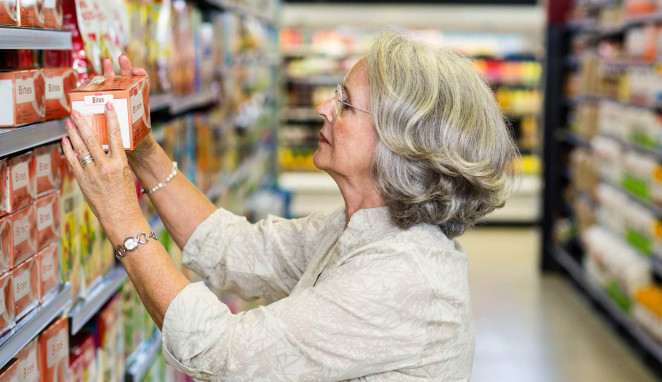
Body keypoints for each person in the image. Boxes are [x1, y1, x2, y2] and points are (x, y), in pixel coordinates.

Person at [62, 32, 518, 381]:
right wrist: (140, 145)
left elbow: (220, 353)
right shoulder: (361, 227)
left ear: (401, 145)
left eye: (345, 102)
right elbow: (230, 247)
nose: (324, 107)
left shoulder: (401, 279)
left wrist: (120, 214)